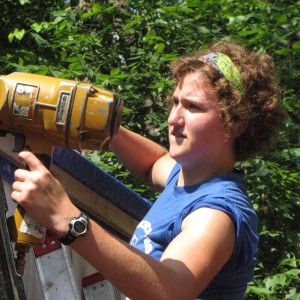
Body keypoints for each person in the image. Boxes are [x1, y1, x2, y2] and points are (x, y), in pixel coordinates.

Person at [11, 40, 285, 299]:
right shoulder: (186, 177)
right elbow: (153, 164)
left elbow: (169, 291)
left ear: (236, 124)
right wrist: (100, 121)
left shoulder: (215, 214)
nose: (173, 118)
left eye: (193, 107)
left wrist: (67, 219)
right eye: (176, 102)